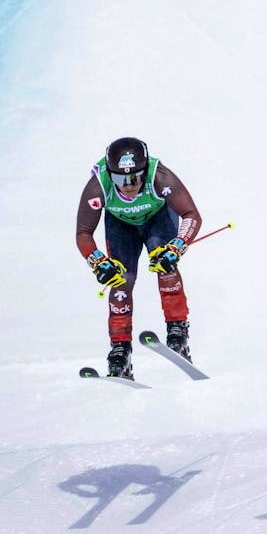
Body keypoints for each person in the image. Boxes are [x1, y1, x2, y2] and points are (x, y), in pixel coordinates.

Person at [75, 137, 202, 378]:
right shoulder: (98, 186)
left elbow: (191, 214)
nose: (129, 185)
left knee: (164, 264)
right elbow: (83, 233)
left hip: (158, 219)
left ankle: (178, 331)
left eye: (135, 177)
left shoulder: (160, 177)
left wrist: (176, 247)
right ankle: (120, 348)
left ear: (145, 171)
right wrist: (98, 262)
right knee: (121, 279)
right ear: (110, 175)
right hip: (121, 225)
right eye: (121, 179)